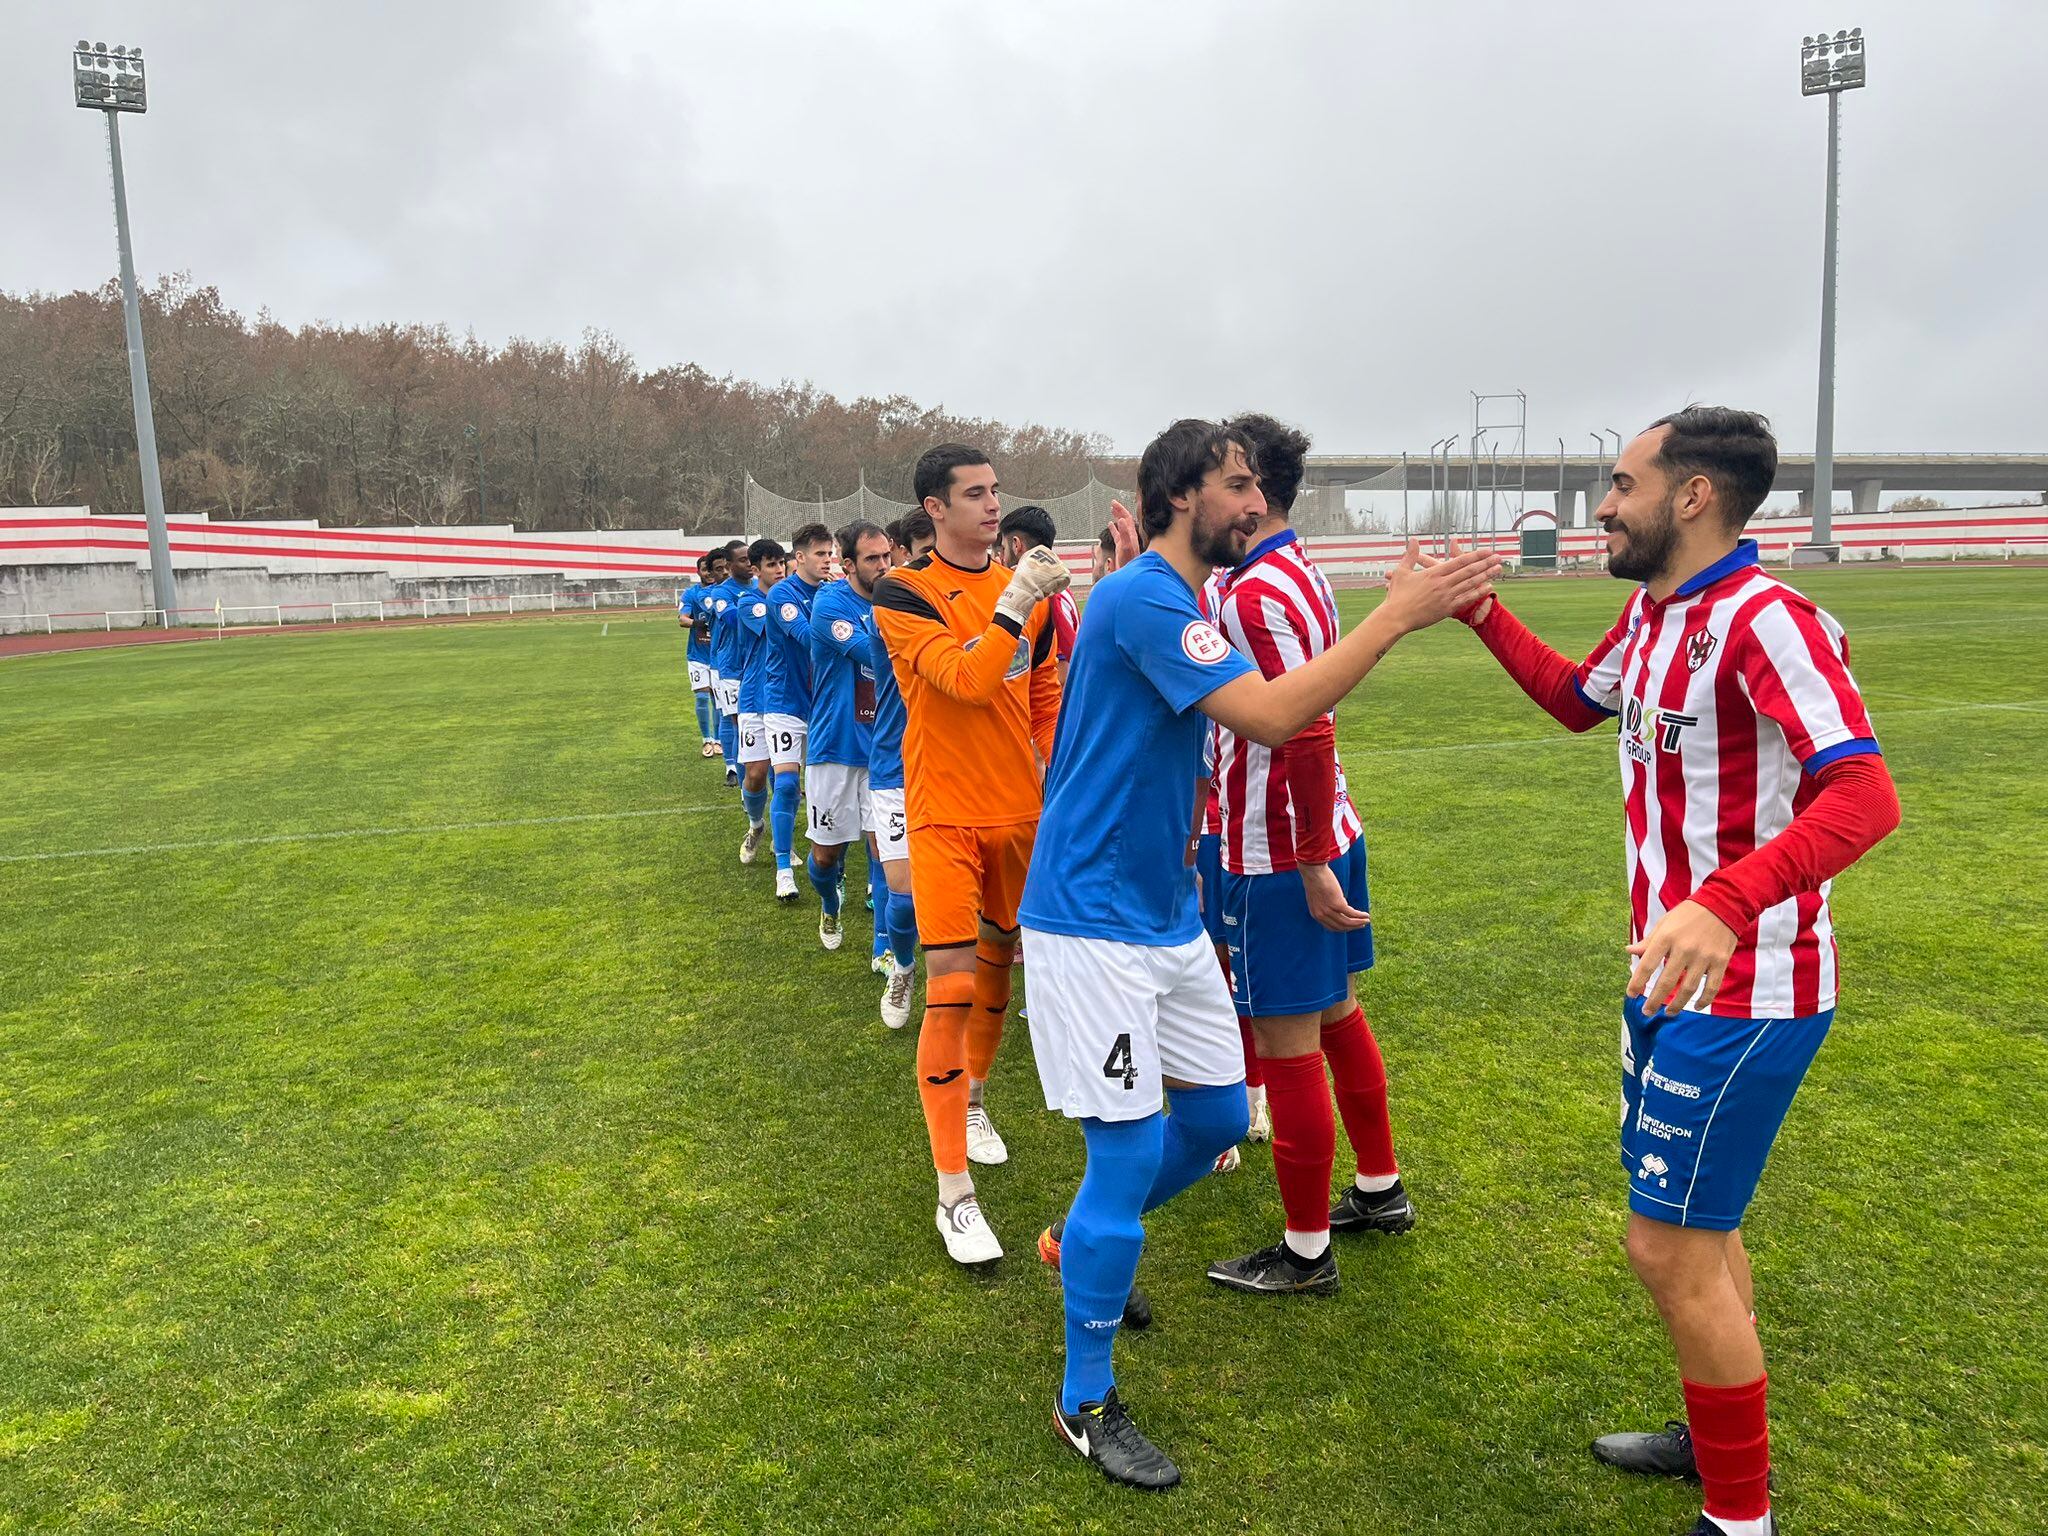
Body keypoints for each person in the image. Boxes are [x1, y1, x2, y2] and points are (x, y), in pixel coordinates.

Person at [1018, 417, 1497, 1490]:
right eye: (1238, 486)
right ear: (1186, 494)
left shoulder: (1162, 595)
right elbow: (1277, 716)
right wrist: (1395, 618)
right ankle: (1083, 1398)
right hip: (1091, 923)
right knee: (1129, 1153)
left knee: (1217, 1117)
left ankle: (1075, 1245)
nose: (1256, 502)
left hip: (1161, 912)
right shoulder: (1148, 594)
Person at [1446, 406, 1899, 1536]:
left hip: (1751, 989)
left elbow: (1862, 795)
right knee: (1705, 1227)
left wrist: (1728, 897)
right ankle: (1712, 1442)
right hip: (1663, 979)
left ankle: (1738, 1523)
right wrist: (1481, 612)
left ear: (1690, 496)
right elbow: (1571, 702)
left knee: (1661, 1246)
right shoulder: (1653, 613)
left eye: (1619, 481)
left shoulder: (1762, 620)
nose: (1601, 504)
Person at [1202, 412, 1415, 1298]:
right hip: (1311, 830)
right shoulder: (1288, 571)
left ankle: (1304, 1251)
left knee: (1286, 1040)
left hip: (1278, 848)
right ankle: (1378, 1190)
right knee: (1334, 1016)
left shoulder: (1257, 591)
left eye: (1228, 479)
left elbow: (1304, 723)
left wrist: (1310, 856)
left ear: (1254, 488)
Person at [872, 444, 1067, 1266]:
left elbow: (1044, 692)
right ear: (934, 507)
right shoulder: (904, 592)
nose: (994, 506)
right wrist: (1014, 603)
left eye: (996, 492)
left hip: (1020, 814)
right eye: (975, 494)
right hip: (944, 816)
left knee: (1003, 962)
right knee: (949, 991)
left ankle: (977, 1100)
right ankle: (954, 1192)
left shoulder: (1032, 596)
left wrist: (1054, 783)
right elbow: (966, 681)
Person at [807, 521, 892, 953]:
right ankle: (829, 898)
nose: (883, 566)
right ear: (848, 565)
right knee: (825, 857)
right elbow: (870, 652)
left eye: (887, 556)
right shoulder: (829, 605)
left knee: (887, 854)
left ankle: (884, 950)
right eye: (872, 559)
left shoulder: (896, 596)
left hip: (885, 749)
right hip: (835, 746)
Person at [870, 512, 936, 1027]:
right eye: (922, 550)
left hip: (953, 765)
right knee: (905, 895)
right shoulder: (893, 597)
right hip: (897, 765)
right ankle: (905, 966)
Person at [763, 524, 834, 901]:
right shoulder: (782, 595)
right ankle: (783, 870)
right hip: (784, 701)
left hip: (822, 704)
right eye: (820, 554)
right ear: (800, 557)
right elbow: (810, 639)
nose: (827, 560)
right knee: (788, 784)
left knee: (824, 789)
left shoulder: (830, 592)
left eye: (830, 553)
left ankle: (830, 867)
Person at [734, 539, 788, 864]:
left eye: (781, 563)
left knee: (786, 778)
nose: (779, 569)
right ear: (755, 570)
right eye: (771, 564)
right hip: (755, 698)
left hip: (786, 698)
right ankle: (756, 825)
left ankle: (783, 843)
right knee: (755, 773)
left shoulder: (793, 597)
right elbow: (779, 626)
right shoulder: (749, 602)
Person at [996, 504, 1081, 681]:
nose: (1002, 558)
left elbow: (1062, 669)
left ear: (1016, 545)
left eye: (1003, 548)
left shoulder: (1045, 595)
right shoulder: (1061, 589)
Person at [706, 540, 752, 788]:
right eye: (743, 559)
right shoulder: (721, 593)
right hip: (731, 668)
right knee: (737, 722)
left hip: (756, 667)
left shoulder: (759, 586)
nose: (749, 562)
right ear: (730, 565)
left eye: (750, 558)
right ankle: (734, 770)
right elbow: (734, 619)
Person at [679, 554, 723, 758]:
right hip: (697, 655)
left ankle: (719, 740)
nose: (710, 574)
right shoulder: (691, 594)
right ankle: (706, 740)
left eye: (712, 569)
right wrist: (698, 623)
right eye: (705, 570)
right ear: (699, 572)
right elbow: (682, 619)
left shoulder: (722, 591)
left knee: (717, 698)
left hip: (719, 655)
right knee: (702, 696)